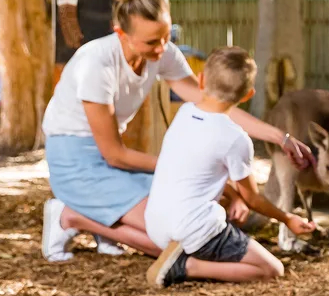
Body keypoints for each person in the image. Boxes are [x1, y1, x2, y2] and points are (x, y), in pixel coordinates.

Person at [40, 0, 314, 263]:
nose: (161, 48)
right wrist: (181, 168)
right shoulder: (96, 64)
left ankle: (104, 220)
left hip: (114, 162)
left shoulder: (164, 52)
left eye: (166, 36)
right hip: (75, 161)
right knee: (171, 241)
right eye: (151, 42)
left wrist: (280, 137)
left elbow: (215, 103)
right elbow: (114, 154)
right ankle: (70, 215)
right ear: (120, 33)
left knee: (183, 222)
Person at [144, 47, 316, 287]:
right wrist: (287, 219)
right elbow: (253, 199)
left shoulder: (184, 113)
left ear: (201, 79)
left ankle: (183, 255)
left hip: (155, 224)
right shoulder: (236, 138)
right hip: (192, 231)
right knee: (271, 268)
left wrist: (234, 197)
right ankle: (186, 266)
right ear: (248, 95)